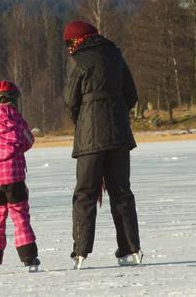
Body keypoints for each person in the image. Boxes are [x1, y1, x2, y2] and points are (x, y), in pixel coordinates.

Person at [62, 20, 142, 269]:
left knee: (85, 194)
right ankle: (130, 249)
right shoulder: (115, 54)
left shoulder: (77, 59)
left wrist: (84, 120)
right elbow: (131, 94)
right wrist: (116, 114)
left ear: (77, 40)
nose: (68, 47)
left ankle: (81, 252)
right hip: (119, 137)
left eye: (69, 43)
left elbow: (70, 101)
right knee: (121, 193)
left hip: (90, 140)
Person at [0, 80, 40, 274]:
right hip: (14, 178)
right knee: (20, 217)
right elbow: (28, 140)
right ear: (14, 100)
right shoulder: (16, 119)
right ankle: (29, 258)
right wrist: (18, 148)